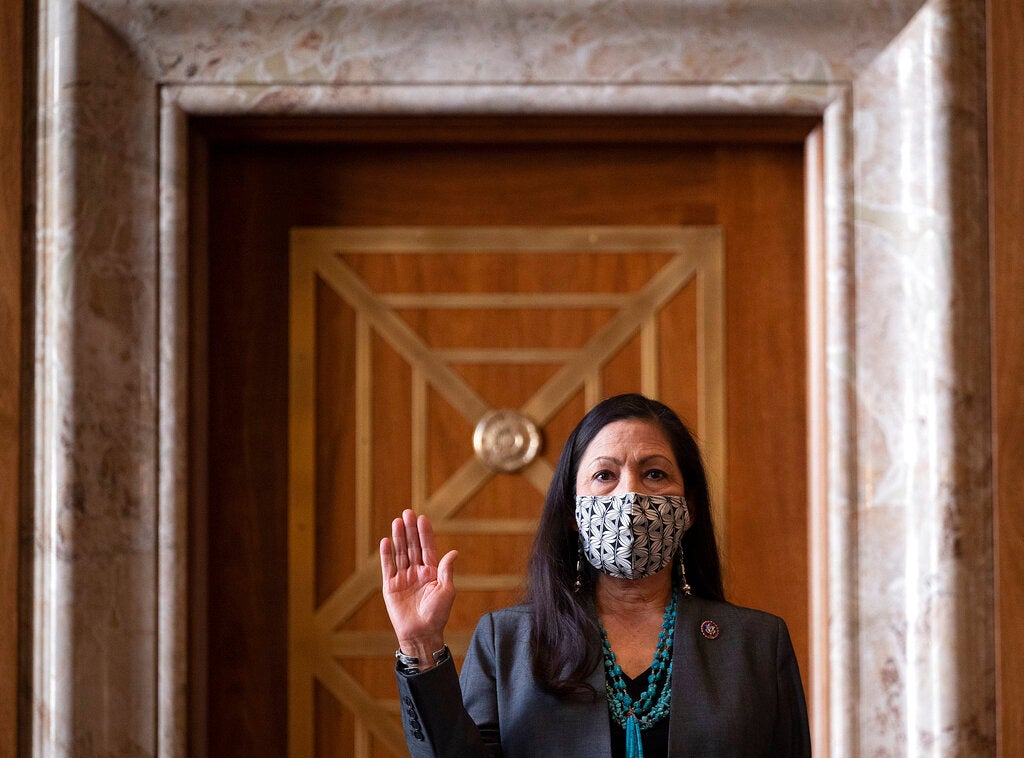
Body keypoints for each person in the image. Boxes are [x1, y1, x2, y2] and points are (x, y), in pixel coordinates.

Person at [380, 393, 811, 757]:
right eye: (605, 475)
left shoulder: (756, 643)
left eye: (654, 473)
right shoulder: (508, 640)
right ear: (571, 511)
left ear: (690, 509)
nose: (630, 493)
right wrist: (420, 644)